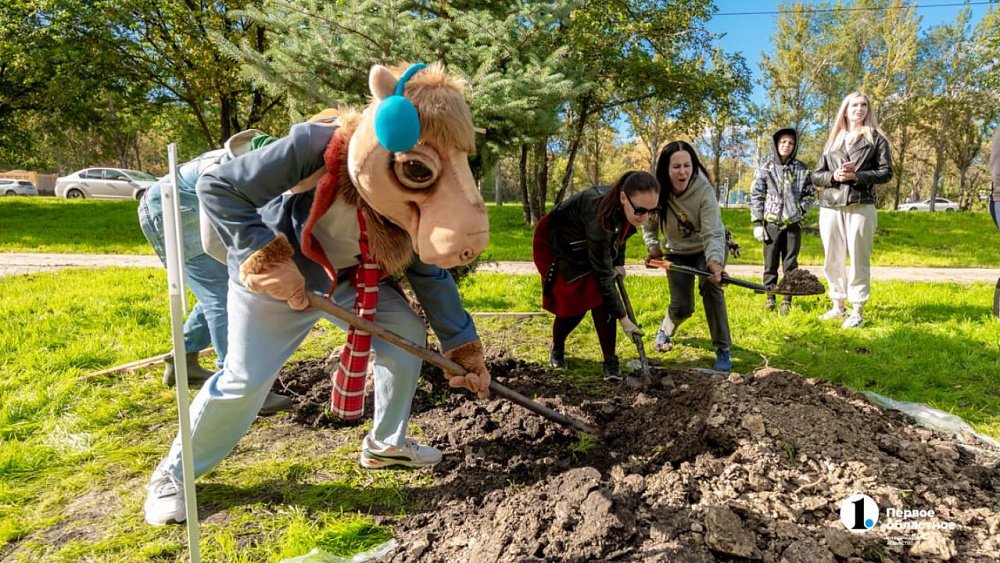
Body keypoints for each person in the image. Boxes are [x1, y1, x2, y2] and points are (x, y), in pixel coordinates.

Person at [143, 62, 492, 527]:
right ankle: (173, 475)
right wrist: (266, 258)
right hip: (280, 269)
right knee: (245, 379)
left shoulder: (421, 191)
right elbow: (219, 186)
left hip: (348, 278)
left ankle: (387, 445)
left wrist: (462, 348)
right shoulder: (317, 145)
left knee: (405, 332)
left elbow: (430, 274)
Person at [138, 132, 293, 415]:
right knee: (222, 297)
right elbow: (212, 245)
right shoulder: (222, 172)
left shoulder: (255, 169)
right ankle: (236, 384)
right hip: (171, 210)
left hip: (186, 206)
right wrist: (246, 271)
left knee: (214, 291)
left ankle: (182, 362)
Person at [532, 171, 659, 382]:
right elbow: (602, 275)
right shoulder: (599, 213)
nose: (645, 217)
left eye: (651, 211)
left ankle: (610, 360)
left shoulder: (627, 209)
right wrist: (624, 318)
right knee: (576, 301)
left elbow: (623, 233)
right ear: (623, 198)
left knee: (600, 298)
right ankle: (557, 346)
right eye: (640, 211)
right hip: (556, 243)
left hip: (587, 241)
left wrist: (618, 264)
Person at [643, 141, 733, 372]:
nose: (682, 171)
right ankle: (666, 330)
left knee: (712, 289)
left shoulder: (704, 190)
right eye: (676, 167)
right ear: (666, 169)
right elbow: (649, 225)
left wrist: (714, 263)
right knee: (683, 307)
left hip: (706, 249)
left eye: (687, 165)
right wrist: (654, 250)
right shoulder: (658, 191)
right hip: (677, 253)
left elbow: (713, 231)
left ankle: (723, 350)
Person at [812, 92, 892, 329]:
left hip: (861, 204)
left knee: (859, 257)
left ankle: (857, 309)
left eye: (864, 105)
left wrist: (857, 176)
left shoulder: (876, 138)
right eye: (854, 104)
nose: (859, 108)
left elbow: (886, 172)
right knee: (832, 257)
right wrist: (833, 176)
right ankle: (837, 305)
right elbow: (816, 175)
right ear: (845, 110)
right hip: (831, 205)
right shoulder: (833, 139)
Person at [750, 127, 815, 315]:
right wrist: (757, 223)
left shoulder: (802, 170)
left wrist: (799, 211)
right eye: (783, 142)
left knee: (790, 264)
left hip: (793, 226)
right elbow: (757, 196)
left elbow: (810, 195)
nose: (787, 146)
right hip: (771, 225)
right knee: (770, 264)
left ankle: (787, 299)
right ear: (777, 144)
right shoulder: (765, 169)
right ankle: (770, 297)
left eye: (791, 143)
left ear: (795, 146)